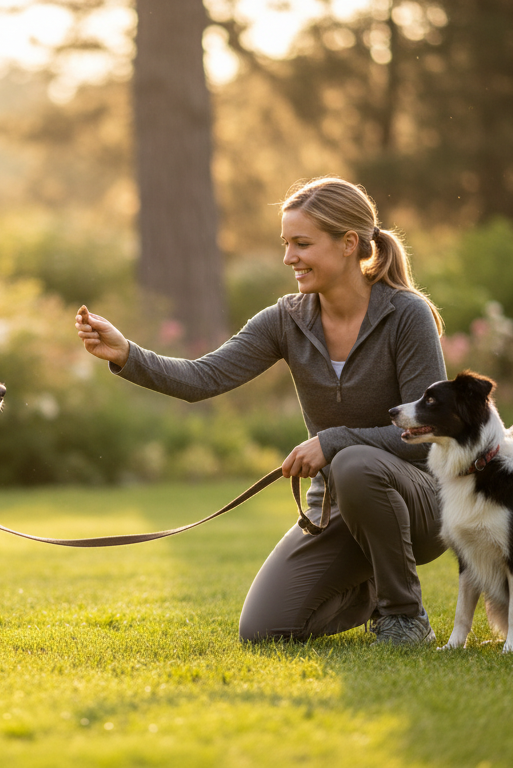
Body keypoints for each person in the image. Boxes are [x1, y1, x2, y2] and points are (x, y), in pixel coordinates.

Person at [74, 177, 448, 644]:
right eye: (286, 243)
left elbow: (428, 434)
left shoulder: (406, 315)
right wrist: (126, 353)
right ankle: (371, 589)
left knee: (353, 460)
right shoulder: (286, 319)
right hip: (336, 508)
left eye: (302, 243)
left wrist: (334, 441)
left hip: (422, 504)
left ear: (349, 243)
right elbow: (202, 379)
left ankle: (405, 616)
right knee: (264, 631)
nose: (289, 257)